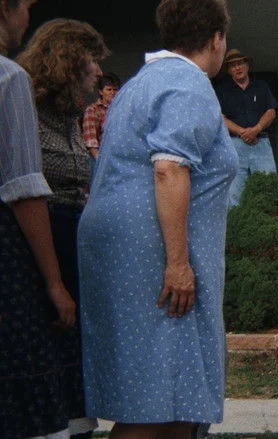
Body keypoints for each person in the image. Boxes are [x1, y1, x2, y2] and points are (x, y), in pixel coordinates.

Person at [77, 0, 236, 437]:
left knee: (175, 396)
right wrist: (178, 264)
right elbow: (168, 168)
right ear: (216, 39)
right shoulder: (187, 82)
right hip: (153, 255)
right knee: (157, 402)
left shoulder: (139, 83)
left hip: (128, 248)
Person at [16, 17, 109, 439]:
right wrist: (53, 281)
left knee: (73, 358)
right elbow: (25, 195)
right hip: (41, 248)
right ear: (69, 63)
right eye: (91, 61)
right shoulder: (26, 112)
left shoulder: (71, 117)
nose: (99, 72)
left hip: (71, 244)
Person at [0, 1, 84, 438]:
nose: (26, 19)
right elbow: (24, 189)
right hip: (9, 255)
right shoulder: (9, 78)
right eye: (25, 8)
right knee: (24, 388)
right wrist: (53, 282)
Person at [215, 48, 278, 206]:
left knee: (268, 187)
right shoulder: (222, 90)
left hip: (260, 143)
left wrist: (256, 129)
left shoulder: (261, 86)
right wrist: (242, 132)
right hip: (235, 144)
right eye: (233, 65)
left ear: (247, 65)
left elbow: (271, 112)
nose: (237, 67)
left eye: (240, 63)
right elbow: (219, 118)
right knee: (234, 192)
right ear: (229, 70)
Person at [81, 71, 120, 158]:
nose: (112, 93)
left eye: (115, 90)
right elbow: (91, 141)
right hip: (103, 156)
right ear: (101, 92)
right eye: (109, 89)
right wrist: (100, 161)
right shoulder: (93, 110)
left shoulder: (123, 109)